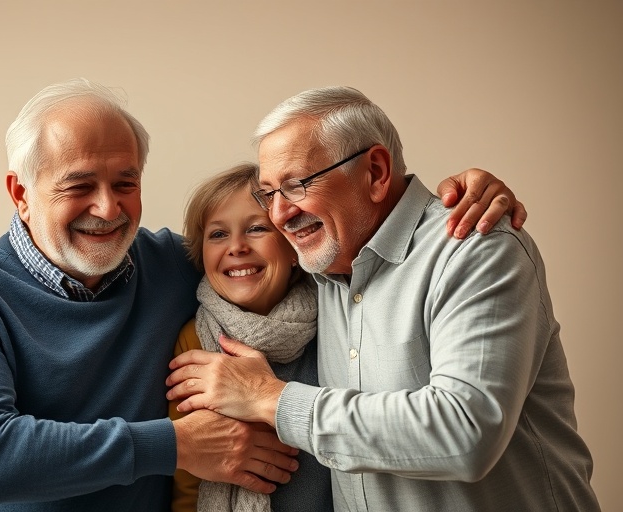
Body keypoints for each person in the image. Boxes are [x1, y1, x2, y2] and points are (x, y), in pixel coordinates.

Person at [0, 78, 527, 511]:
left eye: (126, 181)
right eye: (79, 185)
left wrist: (456, 192)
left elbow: (294, 227)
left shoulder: (172, 264)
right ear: (21, 193)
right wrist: (181, 442)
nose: (108, 208)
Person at [166, 86, 600, 511]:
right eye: (270, 193)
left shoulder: (475, 247)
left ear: (375, 171)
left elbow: (466, 432)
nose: (279, 215)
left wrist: (269, 398)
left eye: (297, 185)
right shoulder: (317, 268)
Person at [170, 163, 331, 511]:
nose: (237, 246)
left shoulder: (335, 318)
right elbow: (186, 479)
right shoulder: (193, 339)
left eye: (257, 228)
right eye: (217, 234)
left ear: (293, 247)